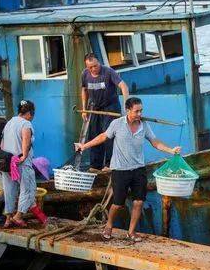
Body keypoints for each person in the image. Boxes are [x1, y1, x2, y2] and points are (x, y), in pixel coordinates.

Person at [75, 97, 181, 242]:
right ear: (128, 110)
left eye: (141, 111)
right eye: (136, 111)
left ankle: (131, 232)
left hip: (138, 169)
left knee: (139, 202)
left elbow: (155, 142)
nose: (139, 114)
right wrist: (84, 146)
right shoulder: (117, 124)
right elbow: (103, 137)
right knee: (118, 203)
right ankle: (109, 226)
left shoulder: (144, 125)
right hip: (120, 170)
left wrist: (171, 150)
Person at [1, 100, 47, 228]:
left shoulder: (9, 122)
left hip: (7, 162)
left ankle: (8, 219)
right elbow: (26, 141)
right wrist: (24, 156)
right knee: (28, 189)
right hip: (21, 162)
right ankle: (18, 217)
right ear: (30, 113)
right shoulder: (26, 123)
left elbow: (1, 144)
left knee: (9, 190)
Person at [81, 53, 130, 171]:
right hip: (95, 108)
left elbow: (124, 87)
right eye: (90, 67)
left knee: (108, 135)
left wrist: (127, 107)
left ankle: (109, 164)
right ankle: (95, 166)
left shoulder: (108, 72)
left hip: (110, 108)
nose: (94, 69)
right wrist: (84, 109)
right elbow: (84, 90)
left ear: (99, 63)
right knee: (94, 135)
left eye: (95, 65)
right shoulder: (85, 74)